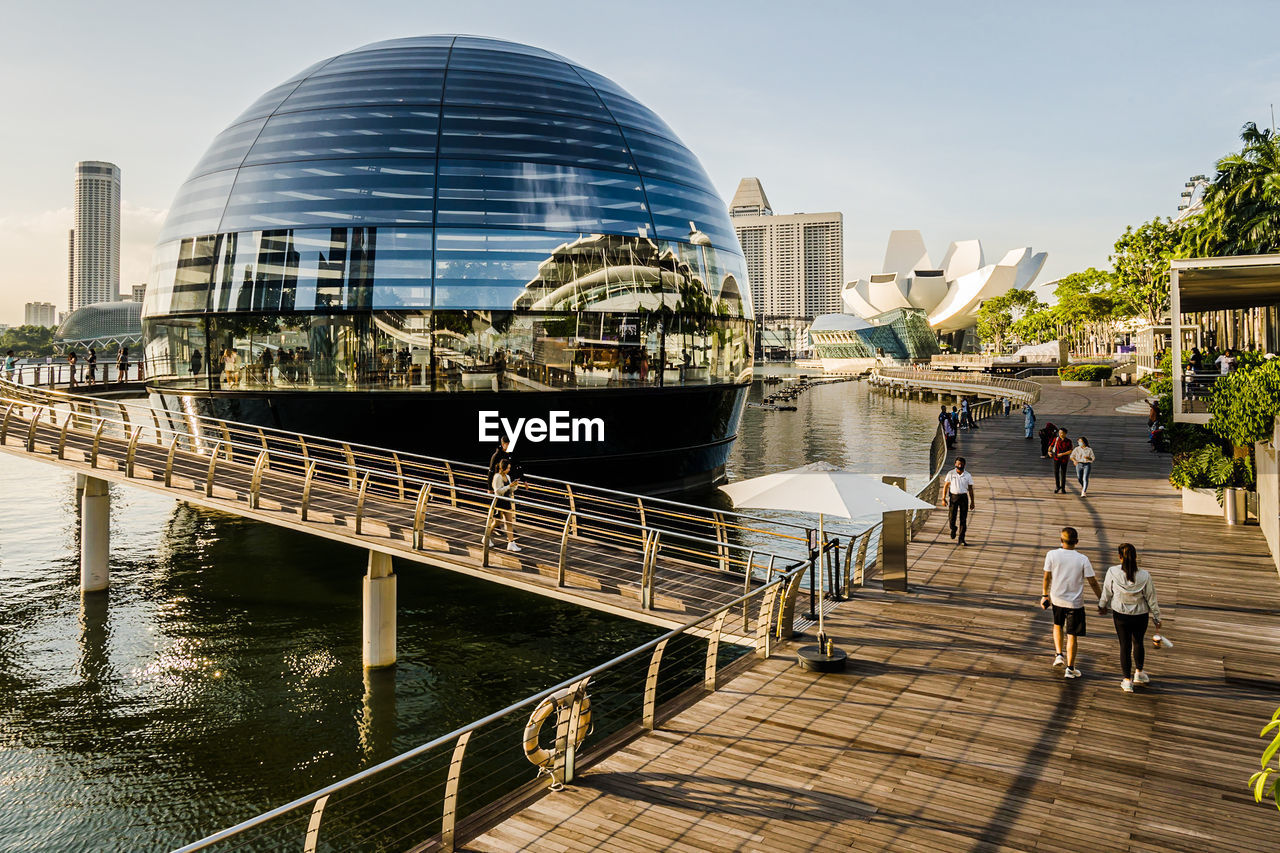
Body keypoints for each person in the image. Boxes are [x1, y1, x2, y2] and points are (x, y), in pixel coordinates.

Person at [1097, 543, 1162, 692]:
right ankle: (1139, 672)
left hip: (1120, 614)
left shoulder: (1113, 572)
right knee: (1138, 642)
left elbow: (1107, 591)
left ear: (1120, 557)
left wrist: (1102, 605)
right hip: (1140, 614)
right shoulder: (1145, 575)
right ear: (1136, 557)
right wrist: (1157, 617)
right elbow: (1151, 598)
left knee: (1124, 646)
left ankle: (1127, 680)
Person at [1040, 526, 1101, 679]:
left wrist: (1044, 595)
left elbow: (1047, 577)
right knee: (1072, 635)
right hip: (1075, 603)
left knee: (1057, 625)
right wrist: (1102, 599)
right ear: (1077, 542)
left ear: (1061, 541)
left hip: (1057, 598)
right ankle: (1070, 668)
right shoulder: (1082, 559)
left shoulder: (1052, 554)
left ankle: (1059, 654)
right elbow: (1092, 581)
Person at [943, 456, 976, 545]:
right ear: (955, 464)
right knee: (951, 517)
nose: (960, 465)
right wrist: (943, 498)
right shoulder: (951, 474)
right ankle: (953, 528)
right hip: (953, 497)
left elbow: (971, 489)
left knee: (963, 519)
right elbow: (946, 486)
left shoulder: (968, 475)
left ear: (964, 465)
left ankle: (961, 539)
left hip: (963, 497)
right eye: (958, 464)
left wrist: (972, 502)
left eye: (961, 464)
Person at [491, 458, 522, 552]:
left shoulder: (507, 477)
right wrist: (509, 486)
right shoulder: (497, 477)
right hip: (499, 501)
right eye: (507, 468)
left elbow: (509, 490)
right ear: (503, 468)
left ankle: (511, 543)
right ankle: (486, 536)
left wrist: (514, 486)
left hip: (506, 501)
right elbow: (497, 491)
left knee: (509, 521)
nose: (509, 469)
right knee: (497, 522)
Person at [1049, 428, 1073, 494]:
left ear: (1065, 433)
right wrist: (1049, 452)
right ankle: (1057, 486)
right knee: (1056, 472)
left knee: (1063, 474)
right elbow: (1051, 446)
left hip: (1064, 459)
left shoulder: (1068, 441)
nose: (1060, 434)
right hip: (1056, 458)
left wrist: (1062, 454)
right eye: (1059, 432)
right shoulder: (1056, 439)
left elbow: (1070, 450)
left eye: (1061, 433)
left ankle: (1063, 488)